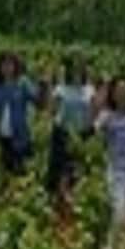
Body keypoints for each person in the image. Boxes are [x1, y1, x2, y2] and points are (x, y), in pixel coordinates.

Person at [92, 75, 125, 247]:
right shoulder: (107, 116)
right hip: (116, 173)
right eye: (118, 90)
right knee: (119, 214)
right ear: (113, 94)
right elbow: (92, 130)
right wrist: (98, 101)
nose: (122, 93)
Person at [43, 55, 96, 203]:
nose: (76, 71)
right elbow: (51, 110)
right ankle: (59, 201)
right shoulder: (61, 89)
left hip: (83, 134)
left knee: (78, 170)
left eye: (80, 68)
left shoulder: (89, 89)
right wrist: (48, 86)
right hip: (62, 133)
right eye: (73, 68)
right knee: (61, 171)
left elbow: (94, 113)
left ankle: (75, 201)